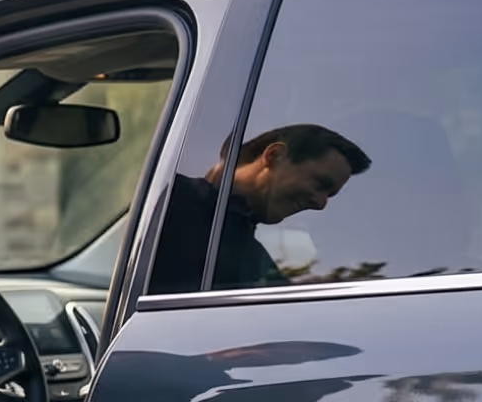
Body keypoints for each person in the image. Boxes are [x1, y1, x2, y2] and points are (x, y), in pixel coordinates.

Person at [148, 124, 372, 294]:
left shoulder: (256, 259)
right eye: (321, 184)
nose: (321, 204)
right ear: (274, 156)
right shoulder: (165, 205)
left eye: (330, 196)